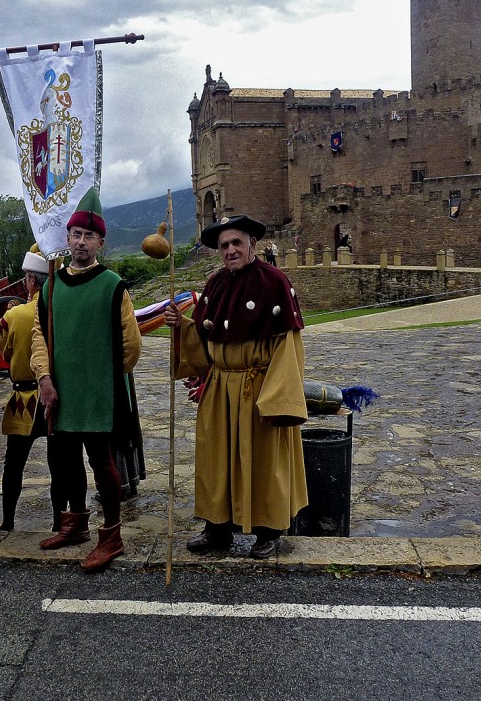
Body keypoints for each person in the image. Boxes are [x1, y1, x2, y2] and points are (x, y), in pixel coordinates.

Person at [163, 214, 308, 559]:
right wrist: (181, 325)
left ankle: (269, 531)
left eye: (236, 243)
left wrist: (277, 399)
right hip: (219, 388)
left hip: (259, 388)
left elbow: (288, 346)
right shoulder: (215, 284)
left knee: (263, 461)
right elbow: (204, 338)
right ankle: (217, 529)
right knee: (216, 460)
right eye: (224, 245)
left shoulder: (274, 282)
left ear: (252, 244)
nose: (230, 250)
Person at [31, 186, 142, 572]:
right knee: (66, 461)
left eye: (89, 236)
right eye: (76, 234)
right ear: (67, 238)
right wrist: (44, 377)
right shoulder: (52, 285)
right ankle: (75, 524)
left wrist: (103, 376)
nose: (81, 241)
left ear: (100, 243)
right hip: (60, 390)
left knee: (101, 461)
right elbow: (40, 335)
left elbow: (131, 344)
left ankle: (111, 536)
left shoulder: (113, 285)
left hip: (99, 391)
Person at [0, 244, 56, 532]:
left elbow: (5, 355)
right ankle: (60, 522)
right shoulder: (58, 310)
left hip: (24, 399)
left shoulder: (13, 315)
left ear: (31, 280)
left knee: (14, 464)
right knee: (59, 464)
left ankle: (7, 522)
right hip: (55, 398)